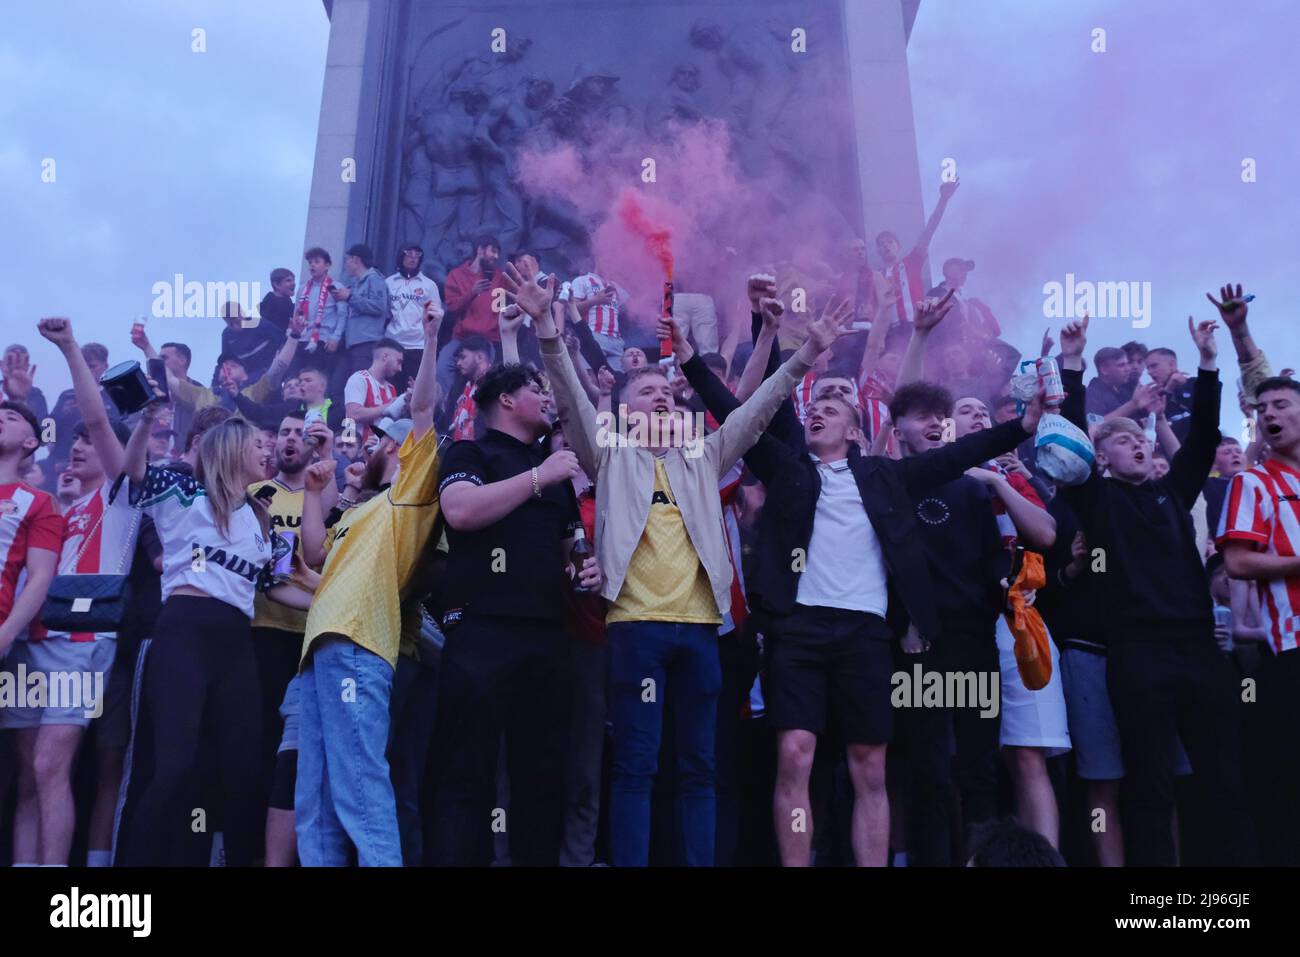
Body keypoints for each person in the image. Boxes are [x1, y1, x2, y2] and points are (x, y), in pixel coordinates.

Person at [671, 294, 1047, 867]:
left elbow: (958, 454)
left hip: (867, 634)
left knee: (869, 762)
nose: (818, 411)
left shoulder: (885, 476)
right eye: (814, 405)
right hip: (798, 631)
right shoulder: (788, 468)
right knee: (795, 754)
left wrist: (1021, 425)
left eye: (832, 408)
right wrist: (692, 359)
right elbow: (735, 410)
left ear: (854, 429)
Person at [516, 260, 851, 867]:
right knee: (637, 768)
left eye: (670, 394)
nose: (664, 398)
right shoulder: (608, 454)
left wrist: (803, 360)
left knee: (700, 768)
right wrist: (546, 326)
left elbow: (755, 410)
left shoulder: (704, 454)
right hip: (636, 629)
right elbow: (566, 396)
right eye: (648, 393)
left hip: (701, 632)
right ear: (622, 411)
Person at [1057, 306, 1257, 866]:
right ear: (1101, 459)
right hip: (1138, 654)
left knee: (1224, 782)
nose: (1139, 445)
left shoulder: (1174, 494)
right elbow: (1072, 436)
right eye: (1123, 442)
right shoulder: (1096, 499)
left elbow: (1202, 440)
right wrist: (1072, 362)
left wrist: (1209, 361)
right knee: (1149, 787)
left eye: (1141, 439)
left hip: (1199, 649)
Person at [118, 404, 314, 866]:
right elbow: (129, 467)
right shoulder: (184, 492)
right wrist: (143, 421)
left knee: (244, 768)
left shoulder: (264, 519)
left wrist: (335, 608)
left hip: (237, 644)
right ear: (231, 452)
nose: (266, 453)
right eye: (258, 446)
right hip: (184, 633)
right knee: (174, 765)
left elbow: (281, 585)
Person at [430, 361, 601, 866]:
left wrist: (583, 570)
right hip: (481, 630)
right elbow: (460, 512)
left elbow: (574, 545)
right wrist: (538, 476)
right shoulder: (471, 451)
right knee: (466, 771)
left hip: (549, 635)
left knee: (542, 774)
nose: (547, 399)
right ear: (506, 400)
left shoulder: (556, 472)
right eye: (536, 390)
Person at [293, 299, 441, 867]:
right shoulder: (362, 509)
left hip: (358, 645)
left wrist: (429, 340)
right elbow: (315, 566)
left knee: (359, 789)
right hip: (321, 648)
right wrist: (316, 491)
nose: (376, 442)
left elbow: (424, 407)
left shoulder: (410, 495)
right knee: (317, 801)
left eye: (387, 439)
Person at [2, 319, 140, 866]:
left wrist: (67, 349)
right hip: (31, 644)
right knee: (27, 781)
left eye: (91, 443)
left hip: (83, 643)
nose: (81, 446)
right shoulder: (59, 510)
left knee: (49, 768)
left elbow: (97, 418)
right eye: (75, 444)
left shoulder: (119, 498)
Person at [247, 411, 339, 834]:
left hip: (311, 641)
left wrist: (329, 454)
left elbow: (328, 533)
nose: (288, 440)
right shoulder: (254, 492)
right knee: (260, 738)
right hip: (262, 632)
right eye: (281, 432)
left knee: (301, 747)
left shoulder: (324, 498)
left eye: (299, 434)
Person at [876, 177, 959, 345]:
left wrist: (943, 199)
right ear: (878, 251)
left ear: (898, 246)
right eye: (882, 244)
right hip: (892, 334)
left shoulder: (911, 262)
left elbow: (929, 230)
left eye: (890, 242)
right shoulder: (877, 276)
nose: (886, 246)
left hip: (916, 325)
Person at [327, 244, 392, 400]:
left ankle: (354, 424)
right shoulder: (355, 283)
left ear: (355, 260)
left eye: (347, 260)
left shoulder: (375, 279)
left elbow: (379, 307)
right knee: (337, 389)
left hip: (367, 343)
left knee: (359, 391)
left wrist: (349, 297)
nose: (346, 264)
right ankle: (340, 423)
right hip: (350, 345)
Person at [440, 235, 503, 393]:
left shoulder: (500, 277)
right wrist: (472, 293)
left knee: (484, 379)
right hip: (461, 338)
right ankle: (445, 410)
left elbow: (501, 308)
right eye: (493, 251)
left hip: (487, 341)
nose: (496, 257)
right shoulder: (457, 275)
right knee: (442, 369)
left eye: (498, 253)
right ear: (480, 250)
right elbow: (452, 307)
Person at [386, 243, 442, 392]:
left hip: (417, 345)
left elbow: (435, 315)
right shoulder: (389, 283)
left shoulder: (429, 285)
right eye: (409, 253)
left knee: (414, 390)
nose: (413, 258)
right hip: (393, 342)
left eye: (417, 254)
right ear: (401, 256)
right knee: (390, 388)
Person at [343, 338, 407, 443]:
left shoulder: (391, 389)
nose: (399, 368)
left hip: (380, 451)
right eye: (398, 362)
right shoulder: (359, 378)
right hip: (359, 450)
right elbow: (353, 414)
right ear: (385, 356)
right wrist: (389, 406)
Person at [446, 336, 493, 441]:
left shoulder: (495, 384)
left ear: (479, 357)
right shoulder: (460, 385)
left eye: (463, 357)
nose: (458, 363)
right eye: (458, 359)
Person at [1, 344, 47, 422]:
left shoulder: (36, 396)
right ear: (1, 364)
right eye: (10, 361)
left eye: (20, 362)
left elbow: (40, 428)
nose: (15, 365)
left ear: (27, 366)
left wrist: (18, 400)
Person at [259, 268, 298, 335]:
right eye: (288, 280)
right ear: (276, 285)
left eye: (293, 280)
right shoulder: (269, 304)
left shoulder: (288, 303)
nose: (293, 283)